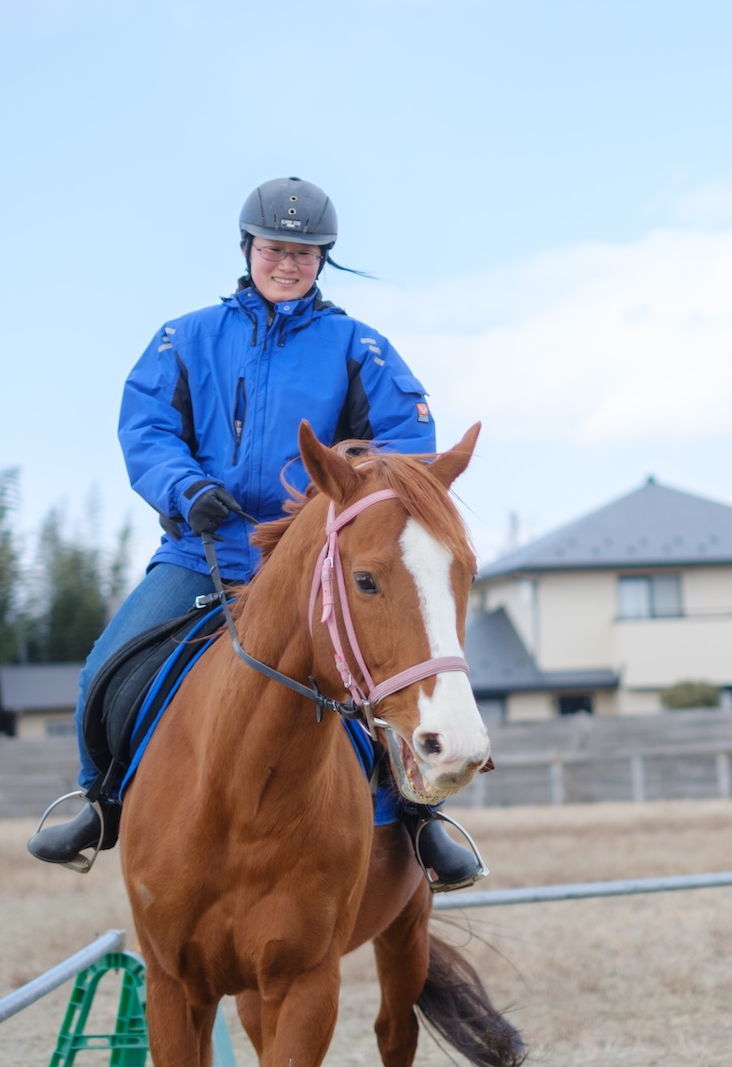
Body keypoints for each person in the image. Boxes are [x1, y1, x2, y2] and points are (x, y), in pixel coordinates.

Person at [27, 176, 485, 889]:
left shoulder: (359, 348)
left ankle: (420, 823)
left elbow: (408, 452)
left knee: (383, 675)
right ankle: (102, 801)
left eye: (306, 253)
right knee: (102, 671)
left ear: (322, 260)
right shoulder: (184, 339)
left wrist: (359, 498)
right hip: (200, 549)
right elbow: (146, 429)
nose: (289, 264)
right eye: (276, 248)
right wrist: (187, 489)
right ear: (248, 249)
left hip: (318, 569)